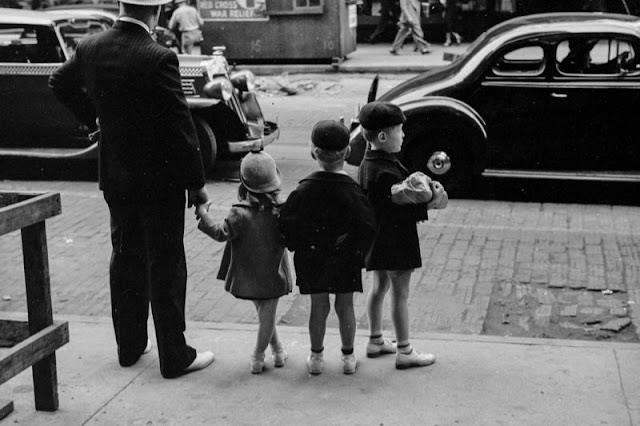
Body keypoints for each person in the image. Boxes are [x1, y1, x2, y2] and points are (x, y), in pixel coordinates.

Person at [49, 0, 214, 379]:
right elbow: (181, 127)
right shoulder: (159, 57)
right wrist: (197, 186)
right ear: (154, 12)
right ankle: (174, 355)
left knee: (125, 257)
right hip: (161, 181)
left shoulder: (90, 47)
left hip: (116, 175)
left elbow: (59, 82)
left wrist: (94, 117)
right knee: (166, 263)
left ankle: (130, 346)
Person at [279, 121, 376, 375]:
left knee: (318, 306)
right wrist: (356, 250)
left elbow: (287, 224)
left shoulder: (304, 189)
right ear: (347, 152)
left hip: (312, 258)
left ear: (314, 153)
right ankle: (348, 357)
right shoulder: (353, 191)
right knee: (345, 306)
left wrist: (301, 245)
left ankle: (316, 357)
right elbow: (368, 226)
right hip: (346, 257)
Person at [357, 101, 437, 370]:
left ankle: (375, 340)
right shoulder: (387, 171)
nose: (403, 135)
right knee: (400, 293)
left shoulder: (368, 163)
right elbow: (400, 206)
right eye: (399, 130)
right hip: (396, 241)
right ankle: (405, 351)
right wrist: (428, 202)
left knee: (379, 286)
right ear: (383, 136)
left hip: (376, 239)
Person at [197, 151, 292, 374]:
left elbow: (219, 233)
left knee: (265, 314)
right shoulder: (281, 210)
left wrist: (204, 215)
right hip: (274, 274)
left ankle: (278, 351)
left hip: (249, 275)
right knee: (267, 315)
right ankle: (258, 357)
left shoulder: (239, 213)